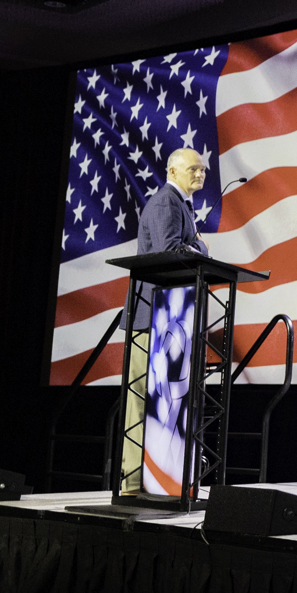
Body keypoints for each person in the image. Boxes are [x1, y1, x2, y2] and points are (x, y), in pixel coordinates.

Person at [121, 147, 209, 494]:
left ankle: (160, 479)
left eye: (203, 169)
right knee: (139, 396)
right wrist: (201, 249)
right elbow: (170, 250)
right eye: (193, 169)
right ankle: (129, 481)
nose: (200, 174)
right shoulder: (166, 203)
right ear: (172, 171)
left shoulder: (182, 204)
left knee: (164, 402)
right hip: (151, 318)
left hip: (169, 318)